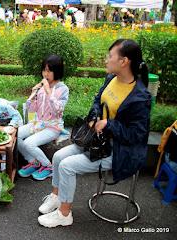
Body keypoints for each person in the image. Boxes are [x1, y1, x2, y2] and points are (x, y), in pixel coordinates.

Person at [37, 39, 152, 228]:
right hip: (97, 142)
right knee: (58, 157)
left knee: (67, 166)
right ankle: (57, 197)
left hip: (119, 151)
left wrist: (108, 124)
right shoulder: (111, 80)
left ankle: (64, 214)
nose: (106, 60)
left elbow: (136, 135)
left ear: (124, 61)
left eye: (110, 56)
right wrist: (94, 117)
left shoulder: (140, 97)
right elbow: (98, 101)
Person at [18, 54, 69, 181]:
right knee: (15, 134)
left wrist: (48, 92)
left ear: (56, 71)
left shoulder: (62, 89)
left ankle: (48, 167)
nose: (45, 74)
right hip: (38, 123)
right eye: (44, 70)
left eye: (49, 70)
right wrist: (33, 95)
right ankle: (33, 161)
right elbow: (32, 110)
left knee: (29, 143)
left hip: (52, 127)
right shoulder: (40, 88)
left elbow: (58, 110)